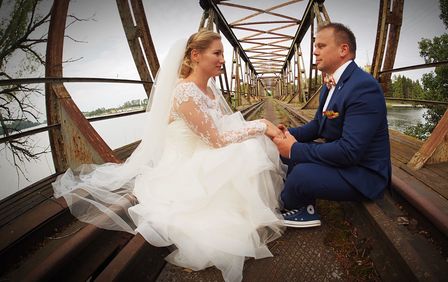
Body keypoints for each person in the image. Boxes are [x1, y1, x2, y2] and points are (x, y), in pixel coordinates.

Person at [53, 30, 286, 282]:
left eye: (223, 54)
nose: (222, 60)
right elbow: (217, 140)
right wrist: (261, 125)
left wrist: (257, 126)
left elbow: (220, 126)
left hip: (204, 148)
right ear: (196, 55)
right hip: (187, 162)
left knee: (249, 144)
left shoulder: (208, 89)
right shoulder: (184, 93)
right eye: (217, 53)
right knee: (249, 147)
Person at [272, 23, 391, 228]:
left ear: (343, 50)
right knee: (285, 155)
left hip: (363, 172)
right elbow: (319, 125)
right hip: (345, 162)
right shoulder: (331, 85)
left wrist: (295, 148)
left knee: (299, 171)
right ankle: (301, 202)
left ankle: (299, 209)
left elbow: (350, 151)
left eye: (321, 46)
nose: (315, 52)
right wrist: (287, 134)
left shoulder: (363, 87)